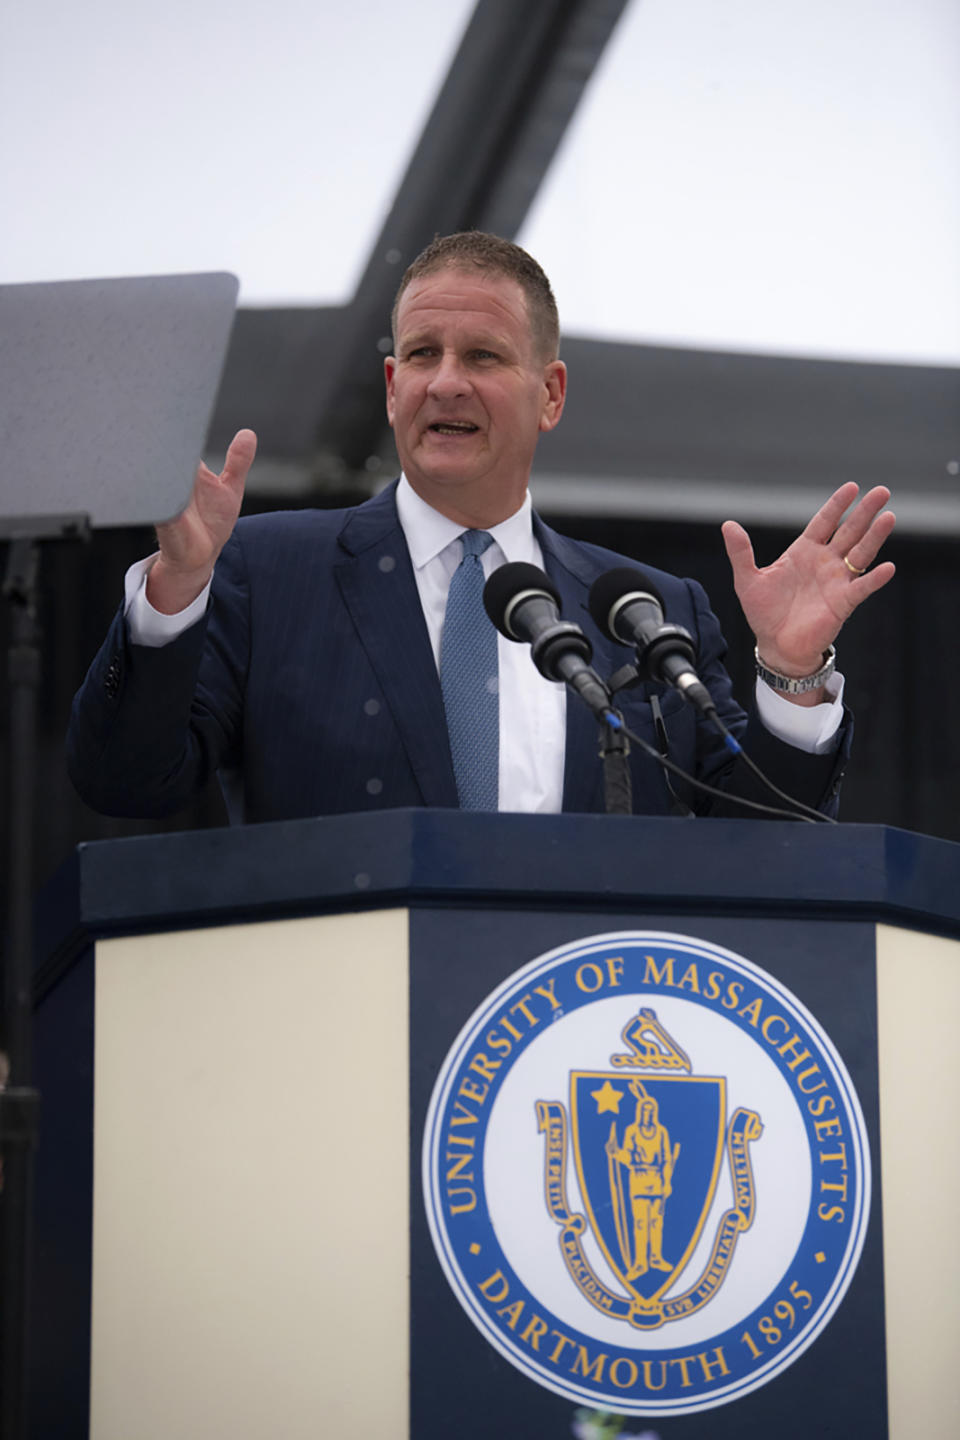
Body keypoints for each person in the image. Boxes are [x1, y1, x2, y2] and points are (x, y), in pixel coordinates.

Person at [66, 232, 896, 823]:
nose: (446, 383)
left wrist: (790, 674)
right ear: (391, 387)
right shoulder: (266, 570)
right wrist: (173, 595)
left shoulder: (646, 612)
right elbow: (128, 784)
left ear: (551, 393)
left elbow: (763, 838)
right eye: (422, 355)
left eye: (486, 357)